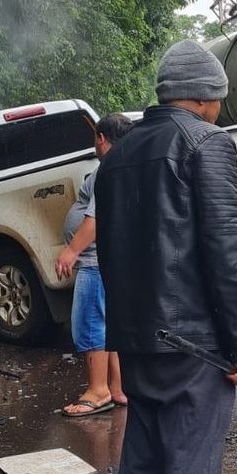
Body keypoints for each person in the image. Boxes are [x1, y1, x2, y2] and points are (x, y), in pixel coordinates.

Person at [96, 40, 237, 474]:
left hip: (136, 341)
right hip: (195, 347)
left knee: (141, 471)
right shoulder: (207, 143)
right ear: (208, 96)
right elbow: (226, 253)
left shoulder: (117, 156)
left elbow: (113, 251)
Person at [55, 113, 132, 416]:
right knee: (107, 325)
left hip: (94, 259)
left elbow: (96, 219)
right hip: (109, 258)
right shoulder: (125, 166)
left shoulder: (107, 170)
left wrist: (71, 251)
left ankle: (97, 390)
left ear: (101, 138)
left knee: (89, 323)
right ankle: (117, 387)